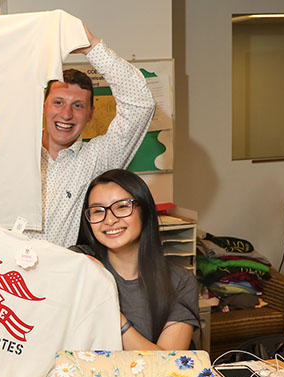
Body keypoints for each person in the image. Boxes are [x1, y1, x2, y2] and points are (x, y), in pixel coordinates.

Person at [26, 26, 156, 248]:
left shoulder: (98, 158)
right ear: (43, 106)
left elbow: (140, 105)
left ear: (90, 114)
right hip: (5, 275)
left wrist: (92, 47)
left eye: (78, 106)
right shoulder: (14, 154)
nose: (66, 114)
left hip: (63, 277)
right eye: (58, 102)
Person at [76, 169, 198, 350]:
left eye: (122, 207)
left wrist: (109, 307)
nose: (109, 220)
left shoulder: (180, 282)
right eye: (97, 211)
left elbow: (166, 366)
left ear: (145, 211)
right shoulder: (80, 264)